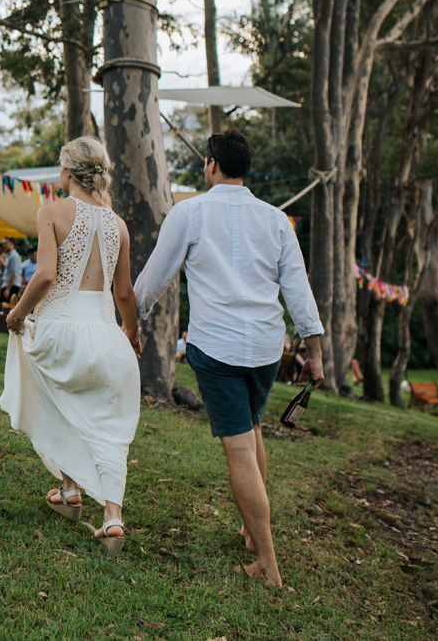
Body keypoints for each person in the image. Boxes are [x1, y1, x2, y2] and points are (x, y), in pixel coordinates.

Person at [135, 130, 324, 587]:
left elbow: (153, 279)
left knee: (238, 446)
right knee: (254, 429)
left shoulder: (190, 212)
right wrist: (314, 352)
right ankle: (249, 527)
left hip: (216, 349)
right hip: (265, 349)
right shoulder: (278, 220)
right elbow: (298, 289)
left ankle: (267, 563)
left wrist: (129, 318)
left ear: (211, 164)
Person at [1, 136, 142, 554]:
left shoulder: (52, 211)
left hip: (61, 329)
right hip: (106, 337)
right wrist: (131, 335)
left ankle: (70, 487)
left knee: (56, 400)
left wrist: (17, 315)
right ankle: (109, 515)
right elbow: (125, 294)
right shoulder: (118, 224)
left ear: (67, 172)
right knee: (108, 427)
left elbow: (45, 276)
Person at [0, 237, 23, 304]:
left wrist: (8, 289)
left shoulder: (14, 256)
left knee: (6, 307)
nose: (3, 245)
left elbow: (14, 274)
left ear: (12, 244)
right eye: (3, 243)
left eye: (5, 243)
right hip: (9, 285)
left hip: (11, 286)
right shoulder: (9, 256)